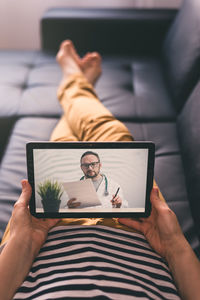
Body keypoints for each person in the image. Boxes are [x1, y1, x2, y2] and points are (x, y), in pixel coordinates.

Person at [0, 40, 200, 300]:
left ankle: (76, 81)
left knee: (61, 144)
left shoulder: (110, 180)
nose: (91, 167)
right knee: (109, 130)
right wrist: (173, 245)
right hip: (138, 231)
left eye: (93, 164)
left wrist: (23, 239)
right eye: (87, 164)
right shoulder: (115, 178)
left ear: (99, 165)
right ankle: (78, 83)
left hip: (43, 236)